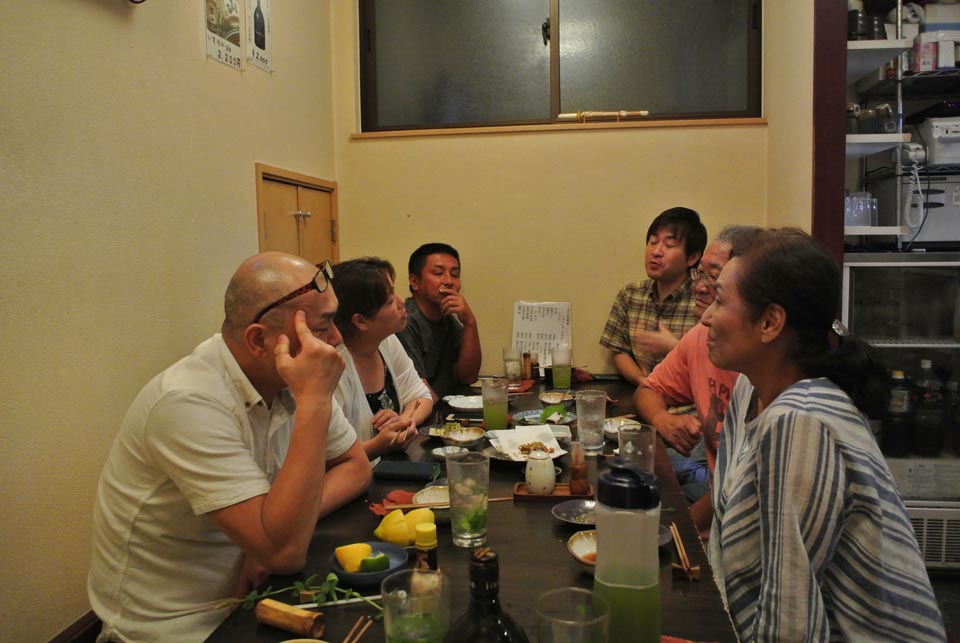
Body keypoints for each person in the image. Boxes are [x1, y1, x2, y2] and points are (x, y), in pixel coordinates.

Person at [88, 252, 372, 643]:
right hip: (180, 623)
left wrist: (273, 531)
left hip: (259, 594)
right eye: (322, 327)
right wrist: (315, 402)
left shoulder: (288, 375)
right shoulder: (187, 400)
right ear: (259, 340)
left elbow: (356, 465)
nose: (337, 340)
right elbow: (285, 553)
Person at [702, 229, 946, 642]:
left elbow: (791, 616)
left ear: (770, 322)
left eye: (720, 301)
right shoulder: (751, 388)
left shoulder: (801, 422)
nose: (706, 316)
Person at [634, 226, 756, 534]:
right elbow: (648, 390)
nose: (699, 287)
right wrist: (663, 420)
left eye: (713, 277)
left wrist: (681, 534)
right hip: (719, 501)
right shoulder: (702, 336)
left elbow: (743, 487)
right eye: (700, 274)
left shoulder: (767, 369)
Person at [332, 257, 434, 460]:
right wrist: (378, 445)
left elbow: (421, 396)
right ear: (360, 321)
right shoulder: (334, 365)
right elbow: (327, 458)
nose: (401, 302)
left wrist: (403, 422)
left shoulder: (386, 341)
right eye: (389, 301)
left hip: (387, 467)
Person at [600, 207, 706, 385]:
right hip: (643, 393)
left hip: (690, 398)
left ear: (692, 257)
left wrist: (674, 347)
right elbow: (620, 350)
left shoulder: (704, 299)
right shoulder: (630, 295)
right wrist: (643, 382)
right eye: (653, 241)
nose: (656, 251)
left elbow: (715, 366)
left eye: (669, 245)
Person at [397, 243, 481, 400]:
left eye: (455, 274)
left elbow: (468, 377)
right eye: (438, 273)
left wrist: (470, 322)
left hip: (442, 405)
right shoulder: (405, 321)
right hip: (425, 409)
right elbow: (419, 394)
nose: (449, 281)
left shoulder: (447, 319)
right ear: (414, 282)